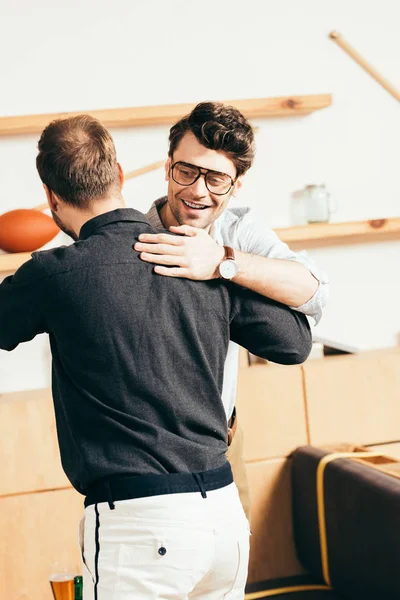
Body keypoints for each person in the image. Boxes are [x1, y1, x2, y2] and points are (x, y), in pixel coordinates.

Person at [0, 115, 312, 600]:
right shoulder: (197, 258)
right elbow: (295, 343)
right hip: (223, 521)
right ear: (120, 175)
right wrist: (223, 268)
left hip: (142, 527)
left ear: (50, 196)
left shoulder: (53, 274)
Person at [135, 101, 329, 517]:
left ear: (237, 184)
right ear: (168, 165)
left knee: (233, 575)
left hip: (223, 442)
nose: (197, 190)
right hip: (143, 458)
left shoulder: (237, 231)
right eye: (186, 171)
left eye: (217, 178)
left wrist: (223, 262)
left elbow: (313, 293)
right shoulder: (130, 239)